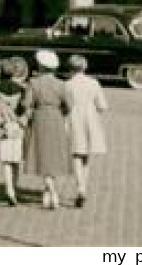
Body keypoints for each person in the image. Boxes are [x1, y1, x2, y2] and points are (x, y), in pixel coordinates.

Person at [23, 49, 70, 209]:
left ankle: (51, 191)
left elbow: (26, 104)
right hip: (56, 118)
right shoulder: (61, 84)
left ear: (41, 66)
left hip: (40, 118)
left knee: (42, 155)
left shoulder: (34, 83)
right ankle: (49, 190)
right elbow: (68, 106)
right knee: (54, 156)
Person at [62, 54, 107, 208]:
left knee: (75, 154)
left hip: (73, 119)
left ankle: (80, 186)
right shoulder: (93, 83)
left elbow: (64, 106)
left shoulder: (67, 85)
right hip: (90, 120)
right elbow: (102, 106)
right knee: (86, 156)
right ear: (84, 67)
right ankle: (83, 187)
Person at [0, 57, 27, 206]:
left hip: (3, 127)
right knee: (16, 160)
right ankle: (15, 187)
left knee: (6, 162)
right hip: (17, 127)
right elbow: (25, 109)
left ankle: (9, 190)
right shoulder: (22, 90)